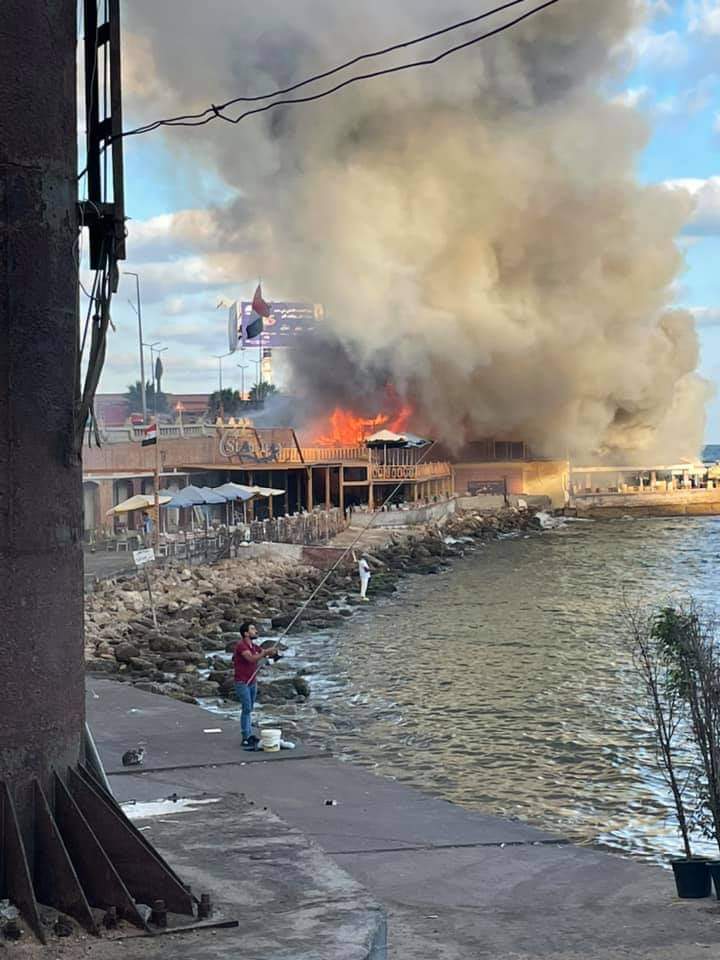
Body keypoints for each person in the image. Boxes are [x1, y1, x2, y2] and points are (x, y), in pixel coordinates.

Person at [233, 621, 279, 746]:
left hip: (252, 681)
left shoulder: (254, 646)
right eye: (253, 629)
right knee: (247, 708)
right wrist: (265, 653)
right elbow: (251, 658)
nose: (256, 631)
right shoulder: (241, 646)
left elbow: (263, 654)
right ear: (246, 633)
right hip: (242, 682)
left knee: (249, 708)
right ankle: (245, 737)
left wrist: (272, 652)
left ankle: (249, 735)